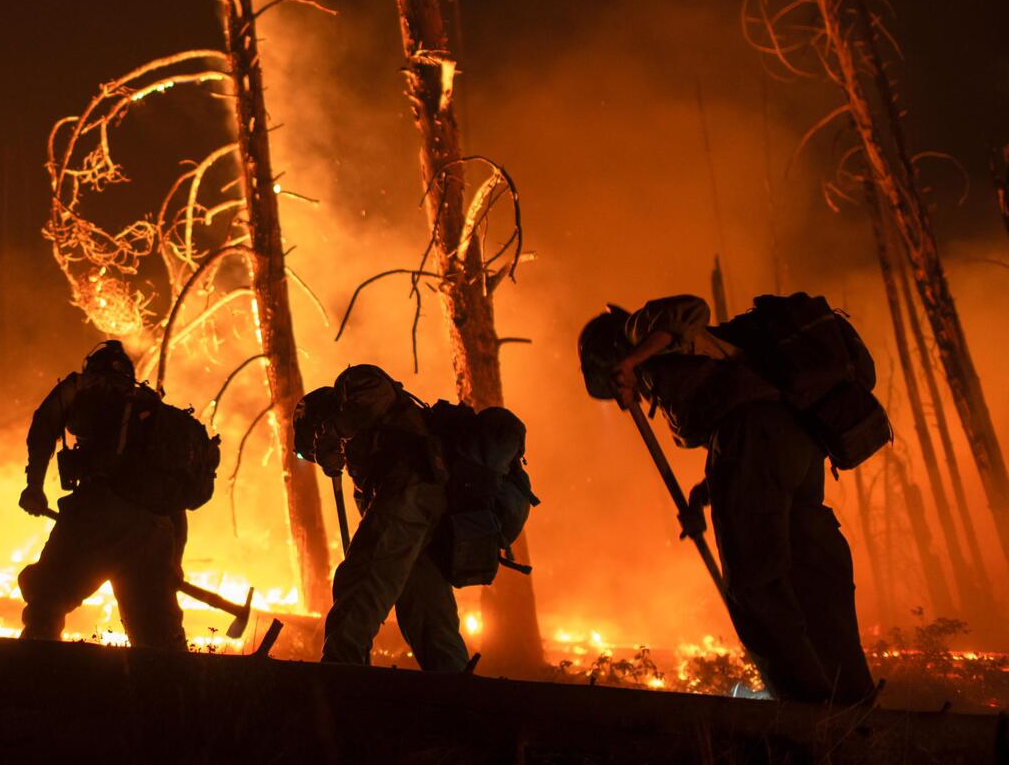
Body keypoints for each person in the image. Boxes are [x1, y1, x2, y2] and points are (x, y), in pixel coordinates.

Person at [578, 295, 875, 704]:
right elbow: (742, 446)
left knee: (755, 581)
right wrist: (707, 495)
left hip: (759, 435)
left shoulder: (637, 331)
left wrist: (630, 360)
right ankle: (852, 701)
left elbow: (690, 309)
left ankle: (806, 708)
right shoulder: (669, 358)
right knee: (815, 575)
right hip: (793, 444)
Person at [295, 364, 531, 673]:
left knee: (360, 582)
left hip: (410, 487)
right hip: (427, 512)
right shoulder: (367, 471)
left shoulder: (352, 384)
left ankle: (338, 684)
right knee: (426, 614)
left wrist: (333, 434)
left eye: (315, 447)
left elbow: (376, 390)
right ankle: (460, 703)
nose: (325, 456)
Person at [16, 340, 216, 648]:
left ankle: (30, 683)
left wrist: (34, 487)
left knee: (47, 598)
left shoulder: (82, 385)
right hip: (154, 532)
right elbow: (172, 505)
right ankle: (178, 693)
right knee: (158, 639)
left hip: (98, 514)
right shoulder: (151, 412)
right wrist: (173, 562)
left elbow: (44, 425)